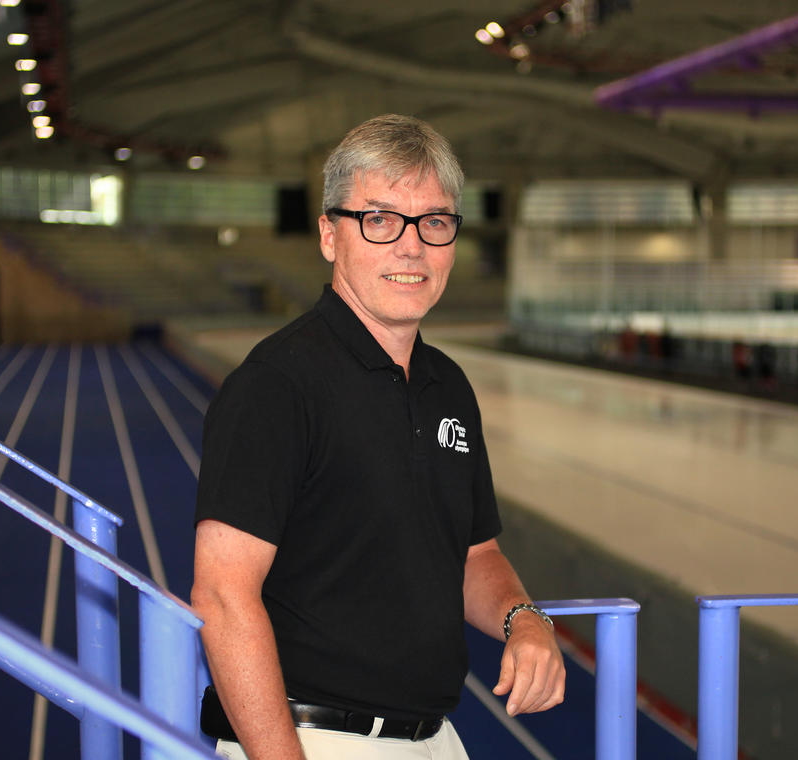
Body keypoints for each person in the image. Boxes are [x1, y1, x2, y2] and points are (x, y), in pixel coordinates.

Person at [191, 114, 565, 760]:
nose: (412, 247)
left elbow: (476, 556)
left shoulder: (449, 389)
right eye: (381, 219)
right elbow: (224, 595)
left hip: (436, 740)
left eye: (435, 222)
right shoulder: (277, 385)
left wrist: (521, 618)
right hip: (312, 740)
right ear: (330, 236)